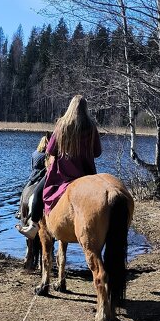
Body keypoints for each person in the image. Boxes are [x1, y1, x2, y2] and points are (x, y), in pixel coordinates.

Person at [17, 94, 101, 239]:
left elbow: (50, 150)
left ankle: (33, 225)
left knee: (37, 193)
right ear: (85, 109)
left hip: (61, 174)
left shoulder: (62, 125)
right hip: (86, 175)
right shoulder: (91, 127)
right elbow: (97, 152)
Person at [15, 133, 51, 239]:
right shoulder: (47, 155)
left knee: (24, 191)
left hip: (33, 177)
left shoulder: (34, 153)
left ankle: (19, 211)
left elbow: (32, 166)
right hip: (42, 176)